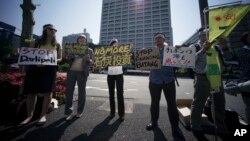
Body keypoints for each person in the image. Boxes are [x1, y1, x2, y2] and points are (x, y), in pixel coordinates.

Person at [20, 24, 62, 125]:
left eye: (55, 30)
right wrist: (36, 62)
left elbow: (60, 58)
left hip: (49, 69)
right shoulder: (36, 41)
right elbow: (30, 54)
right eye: (51, 29)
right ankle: (29, 116)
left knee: (48, 92)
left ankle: (43, 115)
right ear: (45, 30)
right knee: (31, 92)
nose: (54, 31)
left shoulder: (57, 44)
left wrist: (48, 61)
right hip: (35, 68)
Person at [145, 33, 185, 140]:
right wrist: (143, 58)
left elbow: (179, 62)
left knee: (172, 105)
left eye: (160, 37)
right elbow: (144, 65)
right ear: (154, 41)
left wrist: (180, 52)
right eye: (156, 38)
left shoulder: (171, 50)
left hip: (169, 81)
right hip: (154, 81)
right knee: (154, 103)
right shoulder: (150, 52)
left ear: (164, 39)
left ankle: (175, 128)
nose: (157, 39)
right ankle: (153, 122)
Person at [64, 34, 94, 121]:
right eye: (80, 38)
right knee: (69, 91)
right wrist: (67, 56)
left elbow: (92, 62)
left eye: (83, 39)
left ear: (86, 41)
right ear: (77, 40)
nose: (82, 40)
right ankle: (68, 112)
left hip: (82, 72)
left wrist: (89, 59)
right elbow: (66, 58)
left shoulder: (89, 50)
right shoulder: (72, 48)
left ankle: (79, 111)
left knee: (82, 92)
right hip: (72, 71)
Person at [189, 28, 212, 141]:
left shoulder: (214, 45)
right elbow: (190, 59)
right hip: (201, 77)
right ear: (199, 37)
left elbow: (226, 58)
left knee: (217, 102)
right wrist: (203, 49)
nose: (205, 36)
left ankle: (219, 125)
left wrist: (224, 47)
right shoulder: (195, 47)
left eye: (207, 34)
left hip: (215, 77)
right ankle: (196, 125)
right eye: (203, 35)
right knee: (198, 102)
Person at [225, 31, 250, 124]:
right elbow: (229, 58)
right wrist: (224, 48)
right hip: (246, 82)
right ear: (246, 39)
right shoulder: (242, 51)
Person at [107, 38, 125, 121]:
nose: (114, 44)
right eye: (113, 43)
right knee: (111, 94)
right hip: (110, 74)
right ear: (111, 45)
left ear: (118, 44)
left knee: (120, 94)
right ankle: (112, 112)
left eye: (116, 43)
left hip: (119, 74)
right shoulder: (107, 52)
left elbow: (126, 60)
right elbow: (102, 61)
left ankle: (121, 114)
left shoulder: (122, 52)